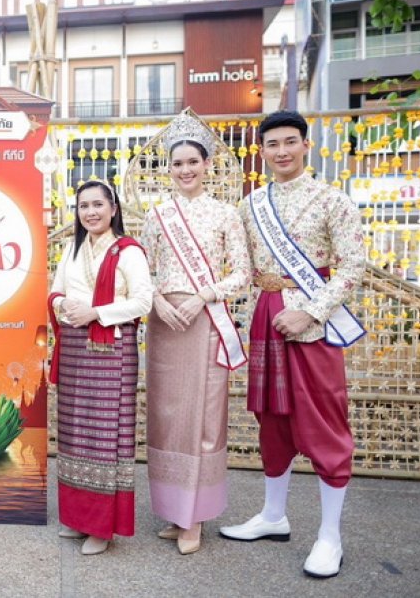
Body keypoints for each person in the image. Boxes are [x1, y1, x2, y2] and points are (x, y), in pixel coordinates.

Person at [219, 110, 365, 579]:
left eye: (289, 142)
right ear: (261, 152)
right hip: (265, 314)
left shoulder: (332, 201)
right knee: (271, 418)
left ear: (305, 144)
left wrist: (311, 311)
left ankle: (330, 537)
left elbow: (352, 267)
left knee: (323, 420)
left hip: (314, 324)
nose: (281, 151)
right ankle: (273, 516)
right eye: (272, 145)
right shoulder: (250, 205)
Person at [140, 112, 250, 555]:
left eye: (192, 162)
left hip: (204, 320)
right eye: (177, 163)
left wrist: (202, 295)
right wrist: (160, 302)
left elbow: (242, 273)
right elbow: (141, 270)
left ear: (208, 165)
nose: (185, 170)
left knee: (201, 417)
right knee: (167, 417)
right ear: (168, 169)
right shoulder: (157, 215)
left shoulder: (225, 214)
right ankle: (173, 511)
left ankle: (195, 519)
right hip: (165, 323)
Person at [47, 179, 153, 555]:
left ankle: (102, 527)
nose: (90, 212)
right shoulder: (72, 249)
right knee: (75, 431)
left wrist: (96, 312)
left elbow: (143, 302)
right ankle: (78, 518)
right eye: (83, 206)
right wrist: (65, 307)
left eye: (97, 205)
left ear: (113, 209)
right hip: (76, 346)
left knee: (105, 437)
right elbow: (55, 291)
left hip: (112, 351)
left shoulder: (129, 251)